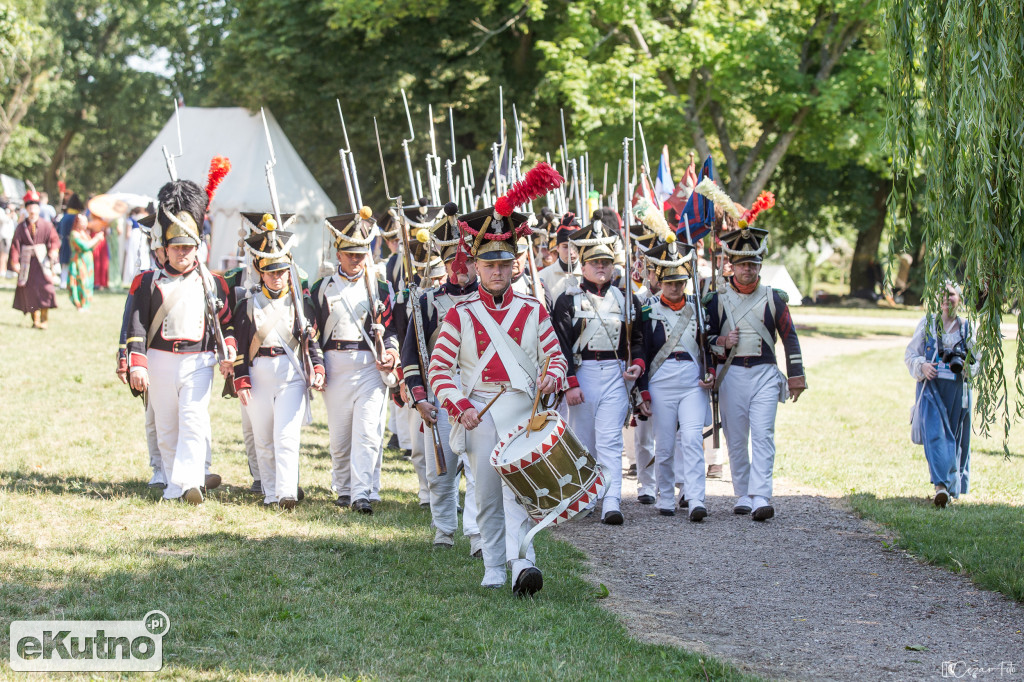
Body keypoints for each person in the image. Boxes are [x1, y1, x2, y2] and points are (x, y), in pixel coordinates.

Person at [427, 196, 568, 596]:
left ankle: (524, 564)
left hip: (524, 410)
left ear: (514, 265)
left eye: (503, 264)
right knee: (488, 493)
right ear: (475, 265)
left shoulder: (533, 310)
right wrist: (461, 406)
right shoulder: (460, 313)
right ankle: (493, 566)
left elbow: (555, 358)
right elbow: (440, 370)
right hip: (481, 411)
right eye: (488, 264)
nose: (496, 272)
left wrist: (552, 378)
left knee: (522, 494)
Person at [125, 172, 235, 504]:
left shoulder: (212, 282)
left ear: (197, 247)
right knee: (168, 425)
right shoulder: (148, 283)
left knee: (193, 419)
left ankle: (190, 483)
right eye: (176, 247)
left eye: (188, 247)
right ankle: (175, 483)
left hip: (199, 359)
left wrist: (228, 350)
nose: (182, 253)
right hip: (159, 359)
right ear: (166, 248)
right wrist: (137, 365)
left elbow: (225, 323)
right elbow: (137, 327)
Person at [704, 221, 806, 521]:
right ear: (731, 266)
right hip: (731, 373)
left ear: (759, 266)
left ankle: (761, 494)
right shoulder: (716, 299)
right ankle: (743, 494)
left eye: (752, 264)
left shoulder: (774, 299)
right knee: (736, 438)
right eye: (741, 264)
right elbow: (704, 338)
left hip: (764, 373)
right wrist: (722, 341)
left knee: (763, 434)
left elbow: (790, 337)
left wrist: (797, 377)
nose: (747, 269)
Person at [551, 218, 645, 525]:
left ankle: (612, 500)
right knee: (583, 442)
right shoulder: (567, 299)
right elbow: (561, 344)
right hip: (584, 373)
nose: (601, 267)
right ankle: (587, 496)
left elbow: (638, 340)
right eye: (594, 262)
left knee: (610, 441)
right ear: (584, 264)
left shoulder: (625, 298)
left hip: (616, 373)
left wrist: (637, 364)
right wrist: (571, 383)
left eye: (606, 261)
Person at [403, 203, 482, 553]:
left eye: (467, 259)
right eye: (455, 260)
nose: (461, 267)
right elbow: (411, 356)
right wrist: (420, 398)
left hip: (482, 390)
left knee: (480, 469)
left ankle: (478, 533)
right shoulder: (427, 303)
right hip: (443, 389)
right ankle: (444, 530)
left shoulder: (491, 301)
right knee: (442, 469)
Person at [231, 220, 325, 508]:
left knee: (286, 435)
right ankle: (270, 493)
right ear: (260, 272)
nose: (277, 278)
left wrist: (318, 368)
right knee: (263, 437)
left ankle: (286, 492)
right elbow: (239, 347)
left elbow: (314, 341)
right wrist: (241, 378)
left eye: (282, 272)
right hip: (258, 373)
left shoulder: (302, 305)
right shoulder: (247, 304)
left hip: (290, 373)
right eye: (271, 272)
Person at [310, 207, 399, 515]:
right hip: (336, 363)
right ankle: (345, 488)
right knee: (340, 435)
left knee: (368, 431)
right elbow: (313, 332)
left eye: (361, 253)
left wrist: (391, 352)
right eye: (350, 253)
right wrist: (318, 365)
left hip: (370, 365)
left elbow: (393, 330)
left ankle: (362, 492)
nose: (355, 259)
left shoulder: (381, 287)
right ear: (338, 252)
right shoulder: (322, 288)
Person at [637, 239, 713, 520]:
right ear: (660, 281)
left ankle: (695, 497)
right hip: (661, 379)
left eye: (680, 282)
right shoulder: (648, 310)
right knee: (665, 444)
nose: (675, 287)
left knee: (692, 438)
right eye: (670, 282)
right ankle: (666, 495)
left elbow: (707, 347)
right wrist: (642, 392)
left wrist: (711, 371)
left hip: (692, 379)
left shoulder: (698, 310)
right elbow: (642, 351)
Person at [905, 282, 977, 507]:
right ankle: (941, 486)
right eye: (943, 295)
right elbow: (910, 355)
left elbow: (978, 360)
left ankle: (949, 485)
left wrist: (968, 367)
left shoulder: (967, 328)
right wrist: (923, 366)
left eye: (952, 295)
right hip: (931, 388)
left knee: (955, 437)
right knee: (936, 434)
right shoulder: (928, 324)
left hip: (957, 389)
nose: (947, 299)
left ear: (960, 298)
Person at [10, 190, 60, 329]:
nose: (32, 210)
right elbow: (15, 245)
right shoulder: (21, 227)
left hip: (42, 262)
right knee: (30, 290)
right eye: (30, 208)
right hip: (28, 264)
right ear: (26, 209)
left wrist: (53, 250)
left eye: (35, 207)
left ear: (39, 209)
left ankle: (44, 319)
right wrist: (15, 261)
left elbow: (54, 240)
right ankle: (35, 319)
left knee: (46, 288)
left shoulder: (47, 225)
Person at [537, 213, 582, 308]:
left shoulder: (587, 275)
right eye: (565, 247)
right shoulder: (543, 276)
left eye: (575, 246)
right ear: (557, 248)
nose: (571, 252)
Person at [67, 213, 103, 310]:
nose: (84, 224)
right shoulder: (74, 234)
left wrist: (98, 240)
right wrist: (96, 238)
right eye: (82, 222)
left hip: (87, 261)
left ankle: (86, 304)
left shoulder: (85, 233)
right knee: (81, 281)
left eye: (85, 221)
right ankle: (79, 303)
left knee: (88, 282)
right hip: (79, 260)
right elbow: (85, 246)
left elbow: (91, 248)